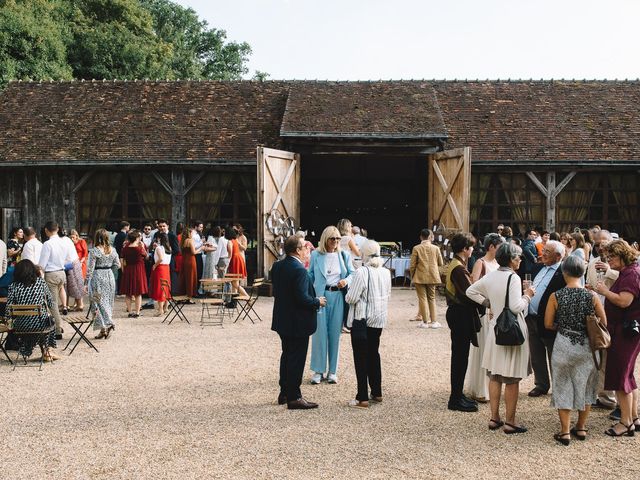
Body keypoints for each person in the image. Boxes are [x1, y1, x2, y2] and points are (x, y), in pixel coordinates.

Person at [466, 243, 535, 433]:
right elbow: (516, 307)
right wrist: (528, 295)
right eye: (518, 257)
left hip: (496, 326)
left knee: (495, 375)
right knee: (512, 378)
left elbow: (470, 291)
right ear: (511, 259)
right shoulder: (513, 277)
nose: (520, 260)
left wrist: (488, 303)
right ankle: (511, 421)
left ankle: (494, 418)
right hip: (512, 329)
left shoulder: (492, 274)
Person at [544, 255, 606, 445]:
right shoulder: (592, 296)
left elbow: (548, 324)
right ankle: (581, 427)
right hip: (587, 346)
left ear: (564, 272)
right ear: (582, 273)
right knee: (586, 386)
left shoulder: (556, 296)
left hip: (564, 344)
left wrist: (561, 327)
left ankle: (564, 432)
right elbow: (603, 322)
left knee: (563, 386)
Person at [271, 235, 326, 410]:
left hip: (283, 319)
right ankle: (294, 396)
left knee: (286, 356)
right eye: (304, 247)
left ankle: (284, 392)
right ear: (297, 250)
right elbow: (302, 298)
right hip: (298, 321)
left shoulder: (277, 266)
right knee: (296, 358)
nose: (307, 249)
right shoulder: (299, 270)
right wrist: (317, 301)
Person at [595, 240, 640, 436]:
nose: (608, 260)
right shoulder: (629, 271)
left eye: (611, 257)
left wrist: (604, 291)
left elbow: (624, 301)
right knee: (628, 376)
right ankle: (635, 417)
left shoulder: (631, 274)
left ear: (622, 255)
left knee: (621, 377)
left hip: (625, 332)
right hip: (625, 331)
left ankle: (625, 422)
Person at [345, 240, 392, 408]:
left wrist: (347, 293)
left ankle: (362, 397)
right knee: (374, 354)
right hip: (378, 319)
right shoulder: (386, 272)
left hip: (362, 320)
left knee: (361, 358)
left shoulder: (362, 272)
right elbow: (388, 295)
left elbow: (351, 297)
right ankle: (377, 392)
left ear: (363, 255)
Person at [308, 225, 354, 385]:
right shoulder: (316, 254)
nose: (335, 241)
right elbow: (310, 274)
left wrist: (345, 281)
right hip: (321, 296)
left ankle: (332, 371)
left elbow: (352, 273)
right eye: (332, 238)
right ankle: (318, 370)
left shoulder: (344, 255)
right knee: (319, 333)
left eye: (338, 238)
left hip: (338, 296)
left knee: (335, 333)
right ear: (325, 239)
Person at [443, 233, 482, 412]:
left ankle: (458, 394)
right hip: (460, 314)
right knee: (460, 357)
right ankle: (455, 398)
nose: (473, 249)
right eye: (471, 247)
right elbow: (468, 294)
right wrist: (486, 302)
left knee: (460, 356)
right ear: (465, 249)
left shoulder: (457, 264)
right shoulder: (458, 268)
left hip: (458, 314)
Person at [525, 240, 566, 397]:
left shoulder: (563, 272)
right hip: (532, 317)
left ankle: (559, 388)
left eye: (547, 252)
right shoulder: (538, 268)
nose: (542, 254)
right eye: (544, 250)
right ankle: (541, 384)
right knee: (536, 354)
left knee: (554, 355)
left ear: (557, 256)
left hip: (549, 320)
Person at [466, 233, 504, 403]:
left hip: (498, 313)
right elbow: (474, 288)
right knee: (483, 350)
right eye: (499, 246)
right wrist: (488, 302)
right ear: (491, 247)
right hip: (485, 312)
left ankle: (492, 388)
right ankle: (480, 389)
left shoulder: (499, 264)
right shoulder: (481, 263)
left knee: (494, 350)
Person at [585, 229, 619, 410]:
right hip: (598, 317)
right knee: (600, 357)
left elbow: (632, 280)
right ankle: (604, 397)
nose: (599, 247)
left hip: (619, 316)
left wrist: (610, 271)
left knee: (618, 359)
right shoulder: (592, 263)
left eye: (603, 242)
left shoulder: (623, 261)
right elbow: (592, 286)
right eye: (596, 244)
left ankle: (623, 404)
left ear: (612, 240)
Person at [7, 259, 58, 362]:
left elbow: (9, 309)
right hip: (40, 324)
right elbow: (50, 302)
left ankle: (44, 351)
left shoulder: (13, 286)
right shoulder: (40, 282)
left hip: (21, 326)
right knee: (51, 322)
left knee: (35, 325)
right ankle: (47, 350)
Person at [86, 229, 121, 339]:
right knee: (107, 302)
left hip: (97, 277)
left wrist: (86, 283)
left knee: (96, 302)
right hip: (109, 276)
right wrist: (109, 267)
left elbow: (90, 269)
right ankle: (103, 329)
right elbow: (118, 265)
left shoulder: (94, 251)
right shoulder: (113, 250)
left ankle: (108, 324)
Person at [38, 221, 68, 340]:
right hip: (62, 272)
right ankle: (57, 326)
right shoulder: (64, 242)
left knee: (53, 303)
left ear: (46, 230)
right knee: (55, 302)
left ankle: (57, 330)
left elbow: (42, 264)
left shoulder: (47, 244)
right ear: (57, 229)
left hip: (52, 273)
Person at [410, 228, 443, 329]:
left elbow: (412, 265)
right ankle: (434, 322)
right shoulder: (436, 248)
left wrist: (413, 276)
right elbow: (441, 263)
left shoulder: (416, 248)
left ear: (421, 237)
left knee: (422, 299)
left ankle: (424, 322)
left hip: (420, 276)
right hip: (432, 276)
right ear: (430, 237)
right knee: (432, 298)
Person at [120, 230, 148, 317]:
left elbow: (122, 259)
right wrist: (143, 247)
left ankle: (129, 312)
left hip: (128, 269)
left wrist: (123, 269)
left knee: (128, 293)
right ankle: (137, 312)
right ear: (136, 238)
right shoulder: (139, 249)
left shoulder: (125, 248)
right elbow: (146, 256)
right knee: (137, 293)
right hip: (138, 270)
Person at [61, 228, 83, 315]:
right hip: (74, 262)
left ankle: (77, 304)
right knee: (74, 284)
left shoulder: (61, 241)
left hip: (70, 264)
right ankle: (75, 304)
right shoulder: (68, 240)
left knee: (72, 285)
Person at [149, 232, 172, 316]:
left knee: (160, 287)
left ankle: (160, 309)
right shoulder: (169, 248)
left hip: (160, 268)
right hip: (167, 268)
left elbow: (161, 258)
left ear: (159, 239)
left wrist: (155, 265)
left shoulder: (159, 248)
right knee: (165, 287)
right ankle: (165, 307)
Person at [179, 225, 202, 299]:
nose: (193, 234)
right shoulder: (190, 240)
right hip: (191, 260)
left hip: (185, 260)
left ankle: (185, 293)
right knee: (191, 277)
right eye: (192, 233)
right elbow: (193, 252)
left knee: (186, 277)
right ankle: (190, 295)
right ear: (190, 233)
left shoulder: (183, 241)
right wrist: (202, 248)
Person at [226, 228, 248, 296]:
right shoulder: (236, 240)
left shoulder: (230, 242)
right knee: (236, 283)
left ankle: (247, 297)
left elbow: (230, 255)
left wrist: (226, 266)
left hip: (235, 260)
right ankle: (233, 301)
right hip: (239, 259)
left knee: (234, 283)